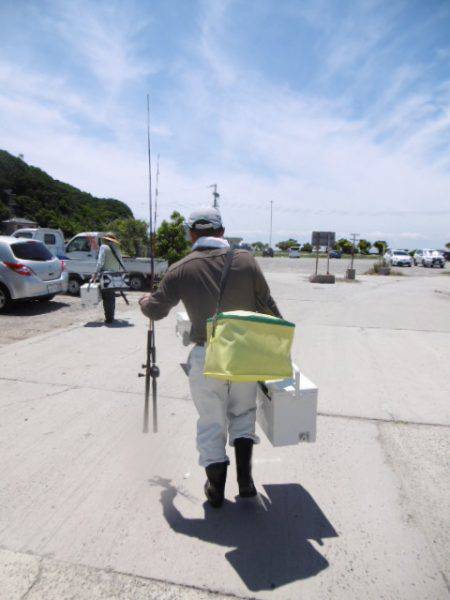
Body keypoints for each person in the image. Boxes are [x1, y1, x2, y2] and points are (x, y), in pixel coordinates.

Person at [139, 207, 282, 508]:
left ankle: (215, 489)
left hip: (207, 355)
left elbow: (155, 310)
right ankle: (246, 482)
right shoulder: (246, 261)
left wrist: (144, 301)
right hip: (244, 354)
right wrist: (279, 349)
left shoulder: (180, 268)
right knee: (244, 415)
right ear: (221, 231)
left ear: (192, 233)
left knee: (211, 422)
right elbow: (268, 307)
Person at [91, 233, 124, 323]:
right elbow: (121, 263)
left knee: (106, 297)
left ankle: (109, 318)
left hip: (106, 276)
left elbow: (100, 262)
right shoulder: (117, 249)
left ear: (106, 240)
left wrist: (95, 273)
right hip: (115, 275)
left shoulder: (103, 247)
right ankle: (111, 316)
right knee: (112, 296)